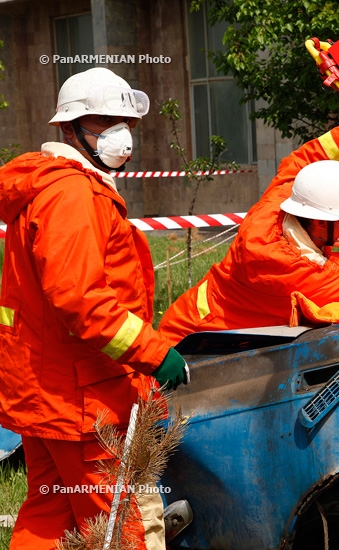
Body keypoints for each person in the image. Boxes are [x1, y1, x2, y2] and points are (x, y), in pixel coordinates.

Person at [0, 67, 188, 549]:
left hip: (53, 395)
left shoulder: (54, 186)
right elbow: (80, 299)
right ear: (69, 129)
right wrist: (153, 353)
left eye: (125, 121)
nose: (121, 134)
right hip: (84, 403)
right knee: (121, 527)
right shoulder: (73, 194)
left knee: (51, 515)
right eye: (104, 121)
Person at [158, 113, 339, 344]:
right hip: (193, 341)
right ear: (320, 222)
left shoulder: (278, 204)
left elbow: (304, 162)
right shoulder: (298, 273)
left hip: (195, 318)